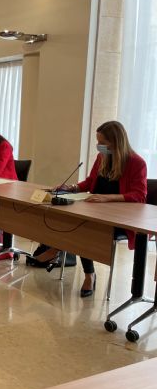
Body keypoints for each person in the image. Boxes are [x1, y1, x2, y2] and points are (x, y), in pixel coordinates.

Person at [51, 120, 147, 297]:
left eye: (102, 142)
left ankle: (72, 263)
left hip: (120, 218)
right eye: (98, 141)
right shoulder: (102, 157)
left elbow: (139, 195)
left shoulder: (136, 162)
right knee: (73, 221)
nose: (99, 146)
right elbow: (90, 182)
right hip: (95, 210)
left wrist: (107, 197)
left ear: (116, 142)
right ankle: (86, 271)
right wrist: (71, 188)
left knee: (83, 227)